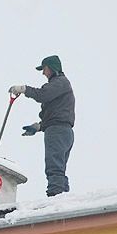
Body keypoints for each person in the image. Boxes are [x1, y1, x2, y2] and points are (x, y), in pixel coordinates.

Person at [8, 55, 75, 197]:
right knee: (58, 167)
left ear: (51, 68)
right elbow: (56, 112)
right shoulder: (60, 85)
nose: (43, 73)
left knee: (54, 167)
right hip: (61, 130)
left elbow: (43, 95)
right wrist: (39, 126)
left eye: (44, 69)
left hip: (57, 131)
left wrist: (24, 89)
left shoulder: (60, 82)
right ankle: (62, 197)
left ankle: (55, 196)